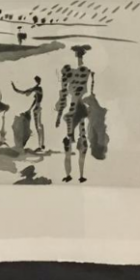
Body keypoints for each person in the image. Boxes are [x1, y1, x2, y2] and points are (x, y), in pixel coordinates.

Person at [55, 45, 95, 183]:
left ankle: (70, 175)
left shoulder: (69, 74)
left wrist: (58, 116)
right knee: (81, 140)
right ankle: (80, 175)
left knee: (71, 141)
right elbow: (87, 92)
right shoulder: (85, 73)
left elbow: (63, 96)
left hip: (74, 109)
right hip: (81, 109)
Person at [11, 76, 45, 151]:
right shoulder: (38, 89)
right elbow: (35, 100)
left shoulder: (37, 88)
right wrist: (29, 109)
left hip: (37, 109)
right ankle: (41, 145)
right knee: (39, 126)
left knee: (38, 126)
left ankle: (40, 146)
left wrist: (14, 88)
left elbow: (24, 92)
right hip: (37, 108)